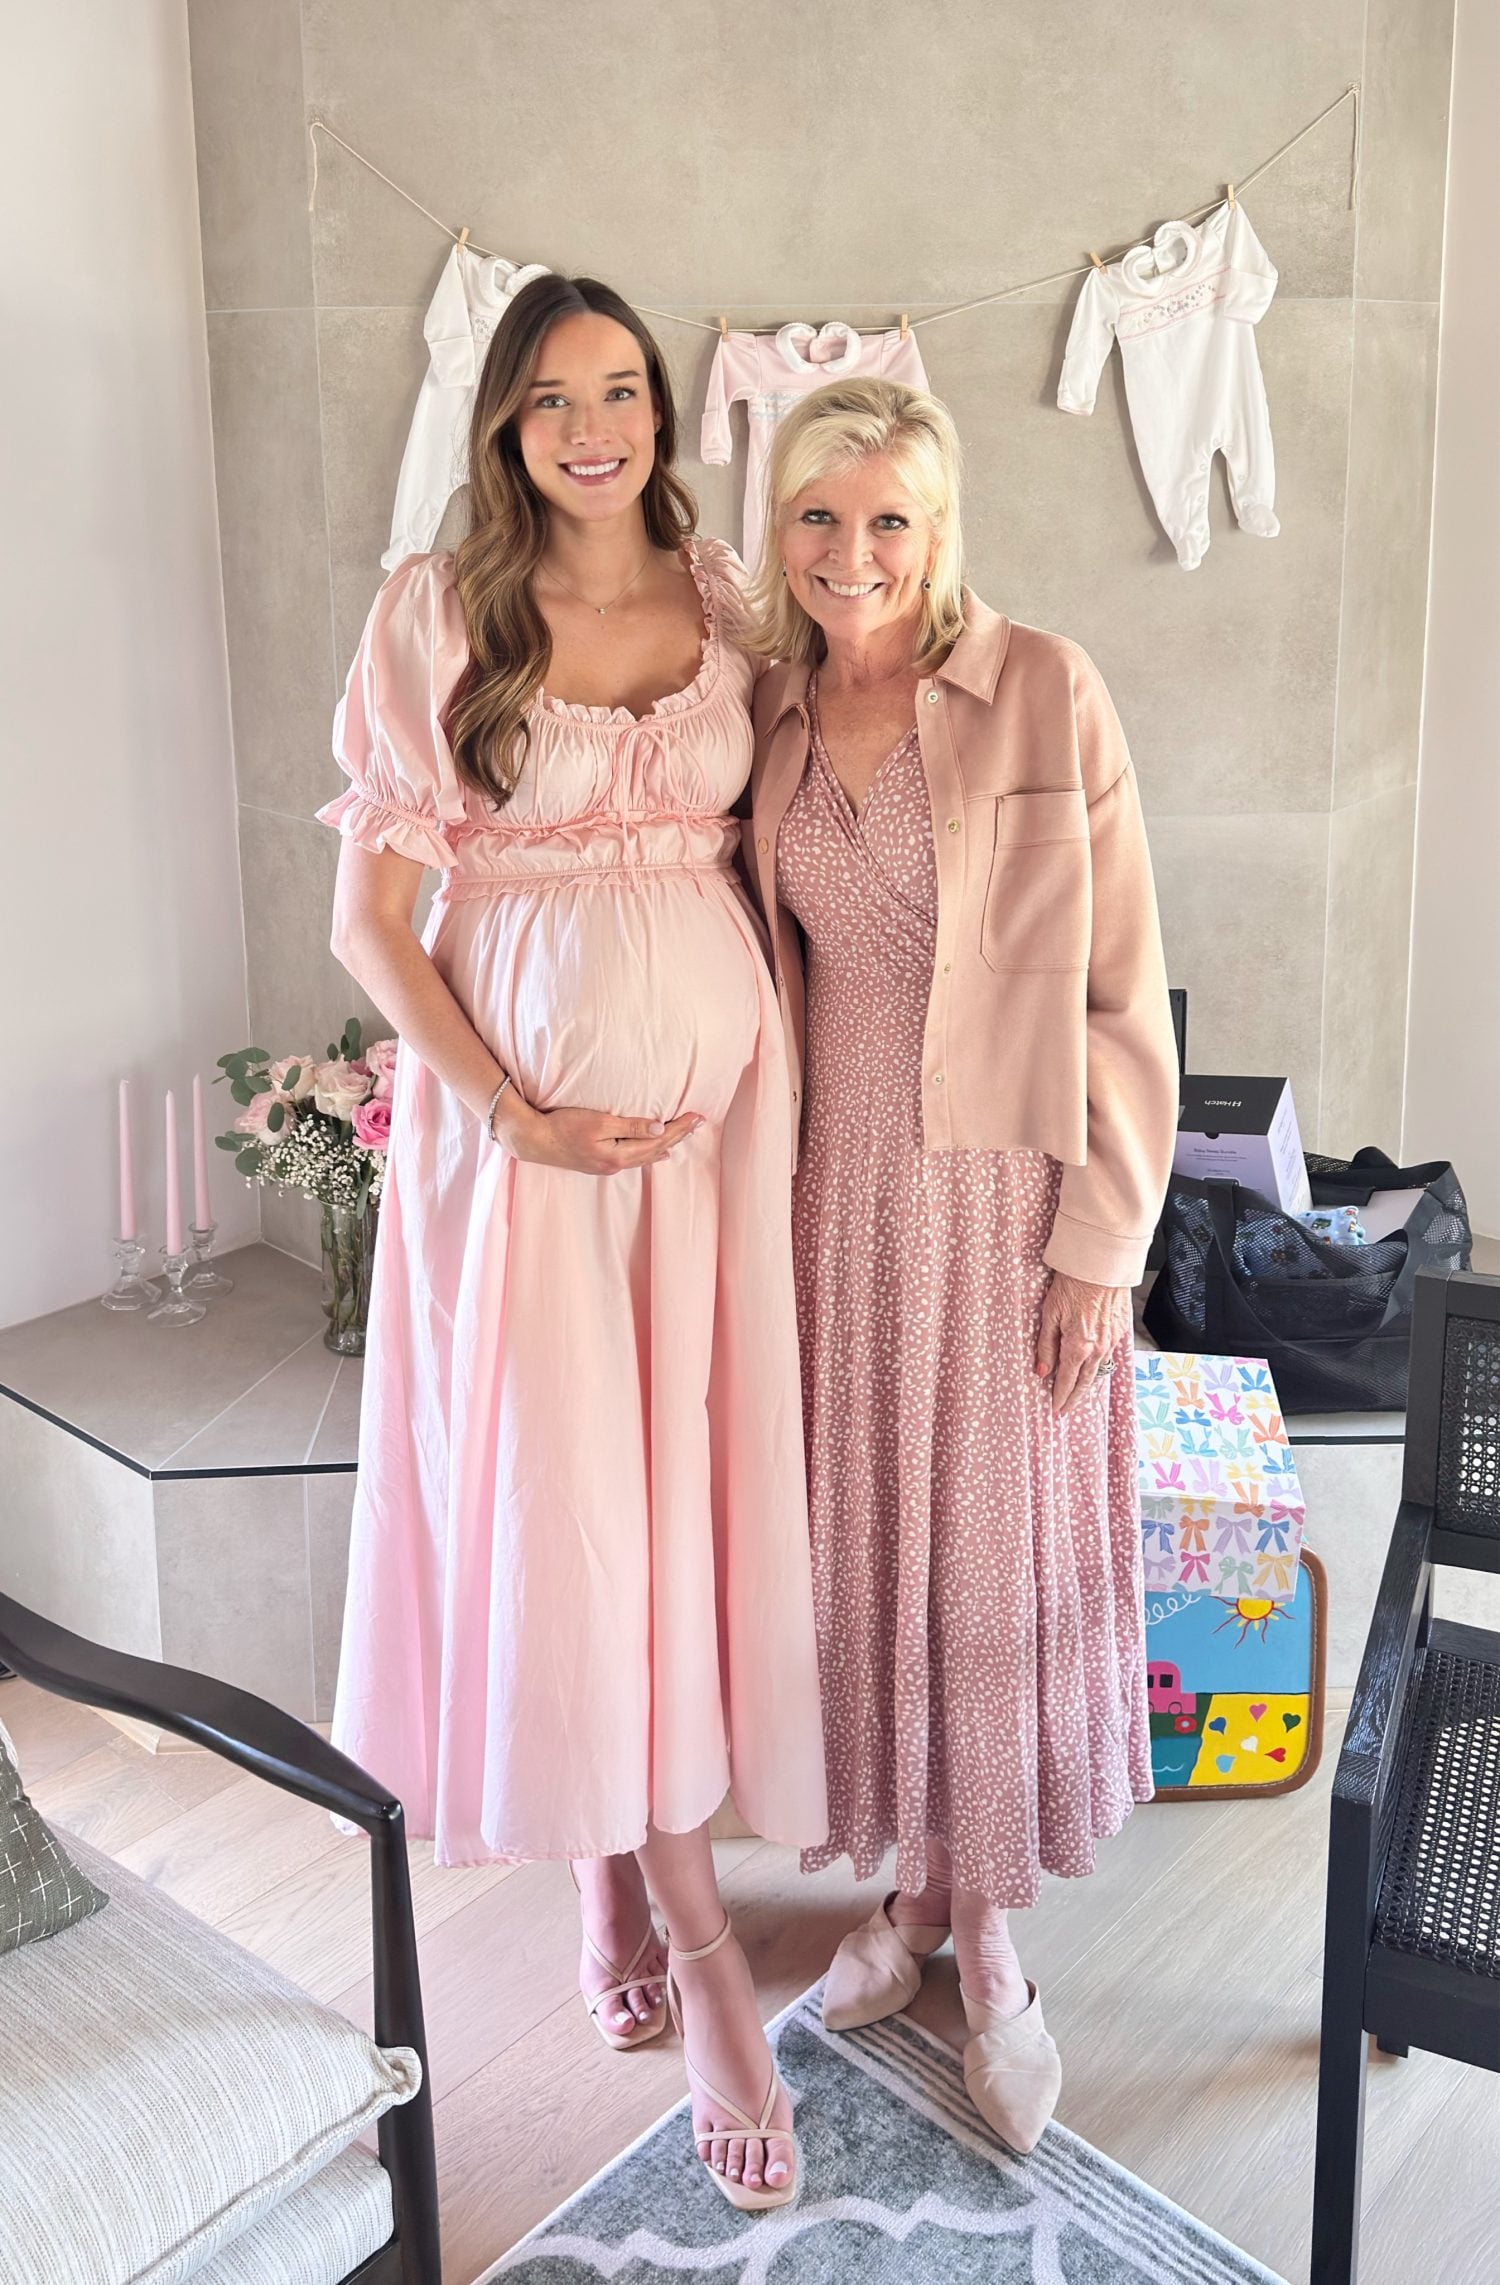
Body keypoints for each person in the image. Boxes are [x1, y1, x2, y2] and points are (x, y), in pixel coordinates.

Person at [322, 273, 826, 2210]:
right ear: (505, 424)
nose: (593, 427)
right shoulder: (437, 608)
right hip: (525, 1144)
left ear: (658, 413)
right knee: (573, 1509)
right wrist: (513, 1108)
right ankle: (701, 1964)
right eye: (554, 398)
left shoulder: (717, 596)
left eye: (620, 391)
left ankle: (619, 1873)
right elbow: (376, 921)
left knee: (670, 1502)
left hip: (717, 1139)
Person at [744, 376, 1178, 2154]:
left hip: (1006, 1205)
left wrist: (1102, 1241)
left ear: (941, 530)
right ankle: (912, 1894)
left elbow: (1124, 987)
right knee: (881, 1566)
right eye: (818, 519)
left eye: (889, 519)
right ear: (780, 534)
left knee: (987, 1577)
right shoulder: (762, 711)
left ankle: (985, 1937)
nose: (855, 553)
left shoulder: (1046, 689)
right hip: (829, 1207)